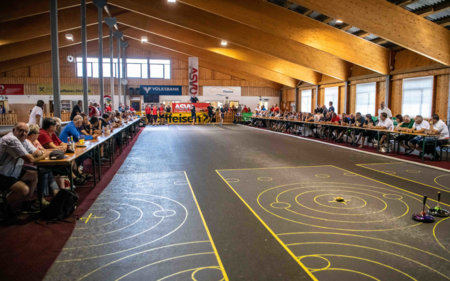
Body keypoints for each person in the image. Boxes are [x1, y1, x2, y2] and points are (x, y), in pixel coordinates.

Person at [0, 123, 49, 217]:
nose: (23, 133)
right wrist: (45, 154)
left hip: (13, 170)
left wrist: (40, 153)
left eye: (26, 131)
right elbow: (30, 159)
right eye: (20, 130)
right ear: (14, 130)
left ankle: (25, 205)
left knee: (35, 175)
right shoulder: (11, 140)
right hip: (2, 173)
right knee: (24, 190)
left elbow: (36, 152)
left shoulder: (23, 140)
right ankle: (2, 206)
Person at [26, 124, 65, 200]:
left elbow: (44, 151)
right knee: (44, 171)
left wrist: (57, 150)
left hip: (39, 162)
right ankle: (42, 197)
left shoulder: (35, 141)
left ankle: (56, 192)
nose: (39, 135)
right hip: (29, 165)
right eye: (38, 133)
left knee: (48, 170)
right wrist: (46, 153)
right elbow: (36, 156)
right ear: (32, 135)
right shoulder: (27, 142)